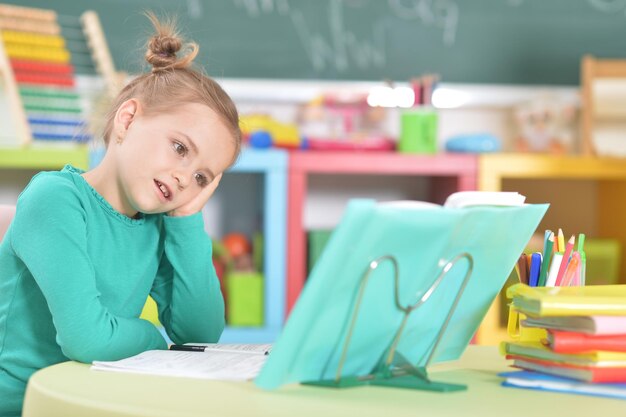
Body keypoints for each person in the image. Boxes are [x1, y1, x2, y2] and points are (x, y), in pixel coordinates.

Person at [0, 13, 241, 416]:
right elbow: (87, 339)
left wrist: (186, 220)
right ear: (127, 120)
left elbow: (200, 335)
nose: (184, 178)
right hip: (21, 405)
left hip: (92, 399)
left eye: (202, 176)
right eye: (180, 148)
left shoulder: (157, 224)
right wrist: (151, 338)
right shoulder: (55, 199)